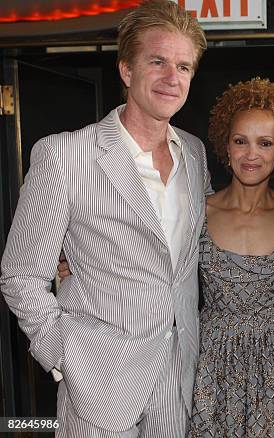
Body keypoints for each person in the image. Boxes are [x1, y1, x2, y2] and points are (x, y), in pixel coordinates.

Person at [0, 1, 211, 436]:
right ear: (126, 70)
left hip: (178, 373)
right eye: (158, 61)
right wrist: (62, 357)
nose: (173, 78)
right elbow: (20, 274)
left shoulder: (193, 152)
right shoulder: (64, 155)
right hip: (96, 379)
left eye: (184, 66)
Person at [188, 77, 274, 437]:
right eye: (240, 141)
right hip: (211, 366)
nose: (251, 154)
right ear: (225, 146)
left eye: (265, 143)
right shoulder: (194, 214)